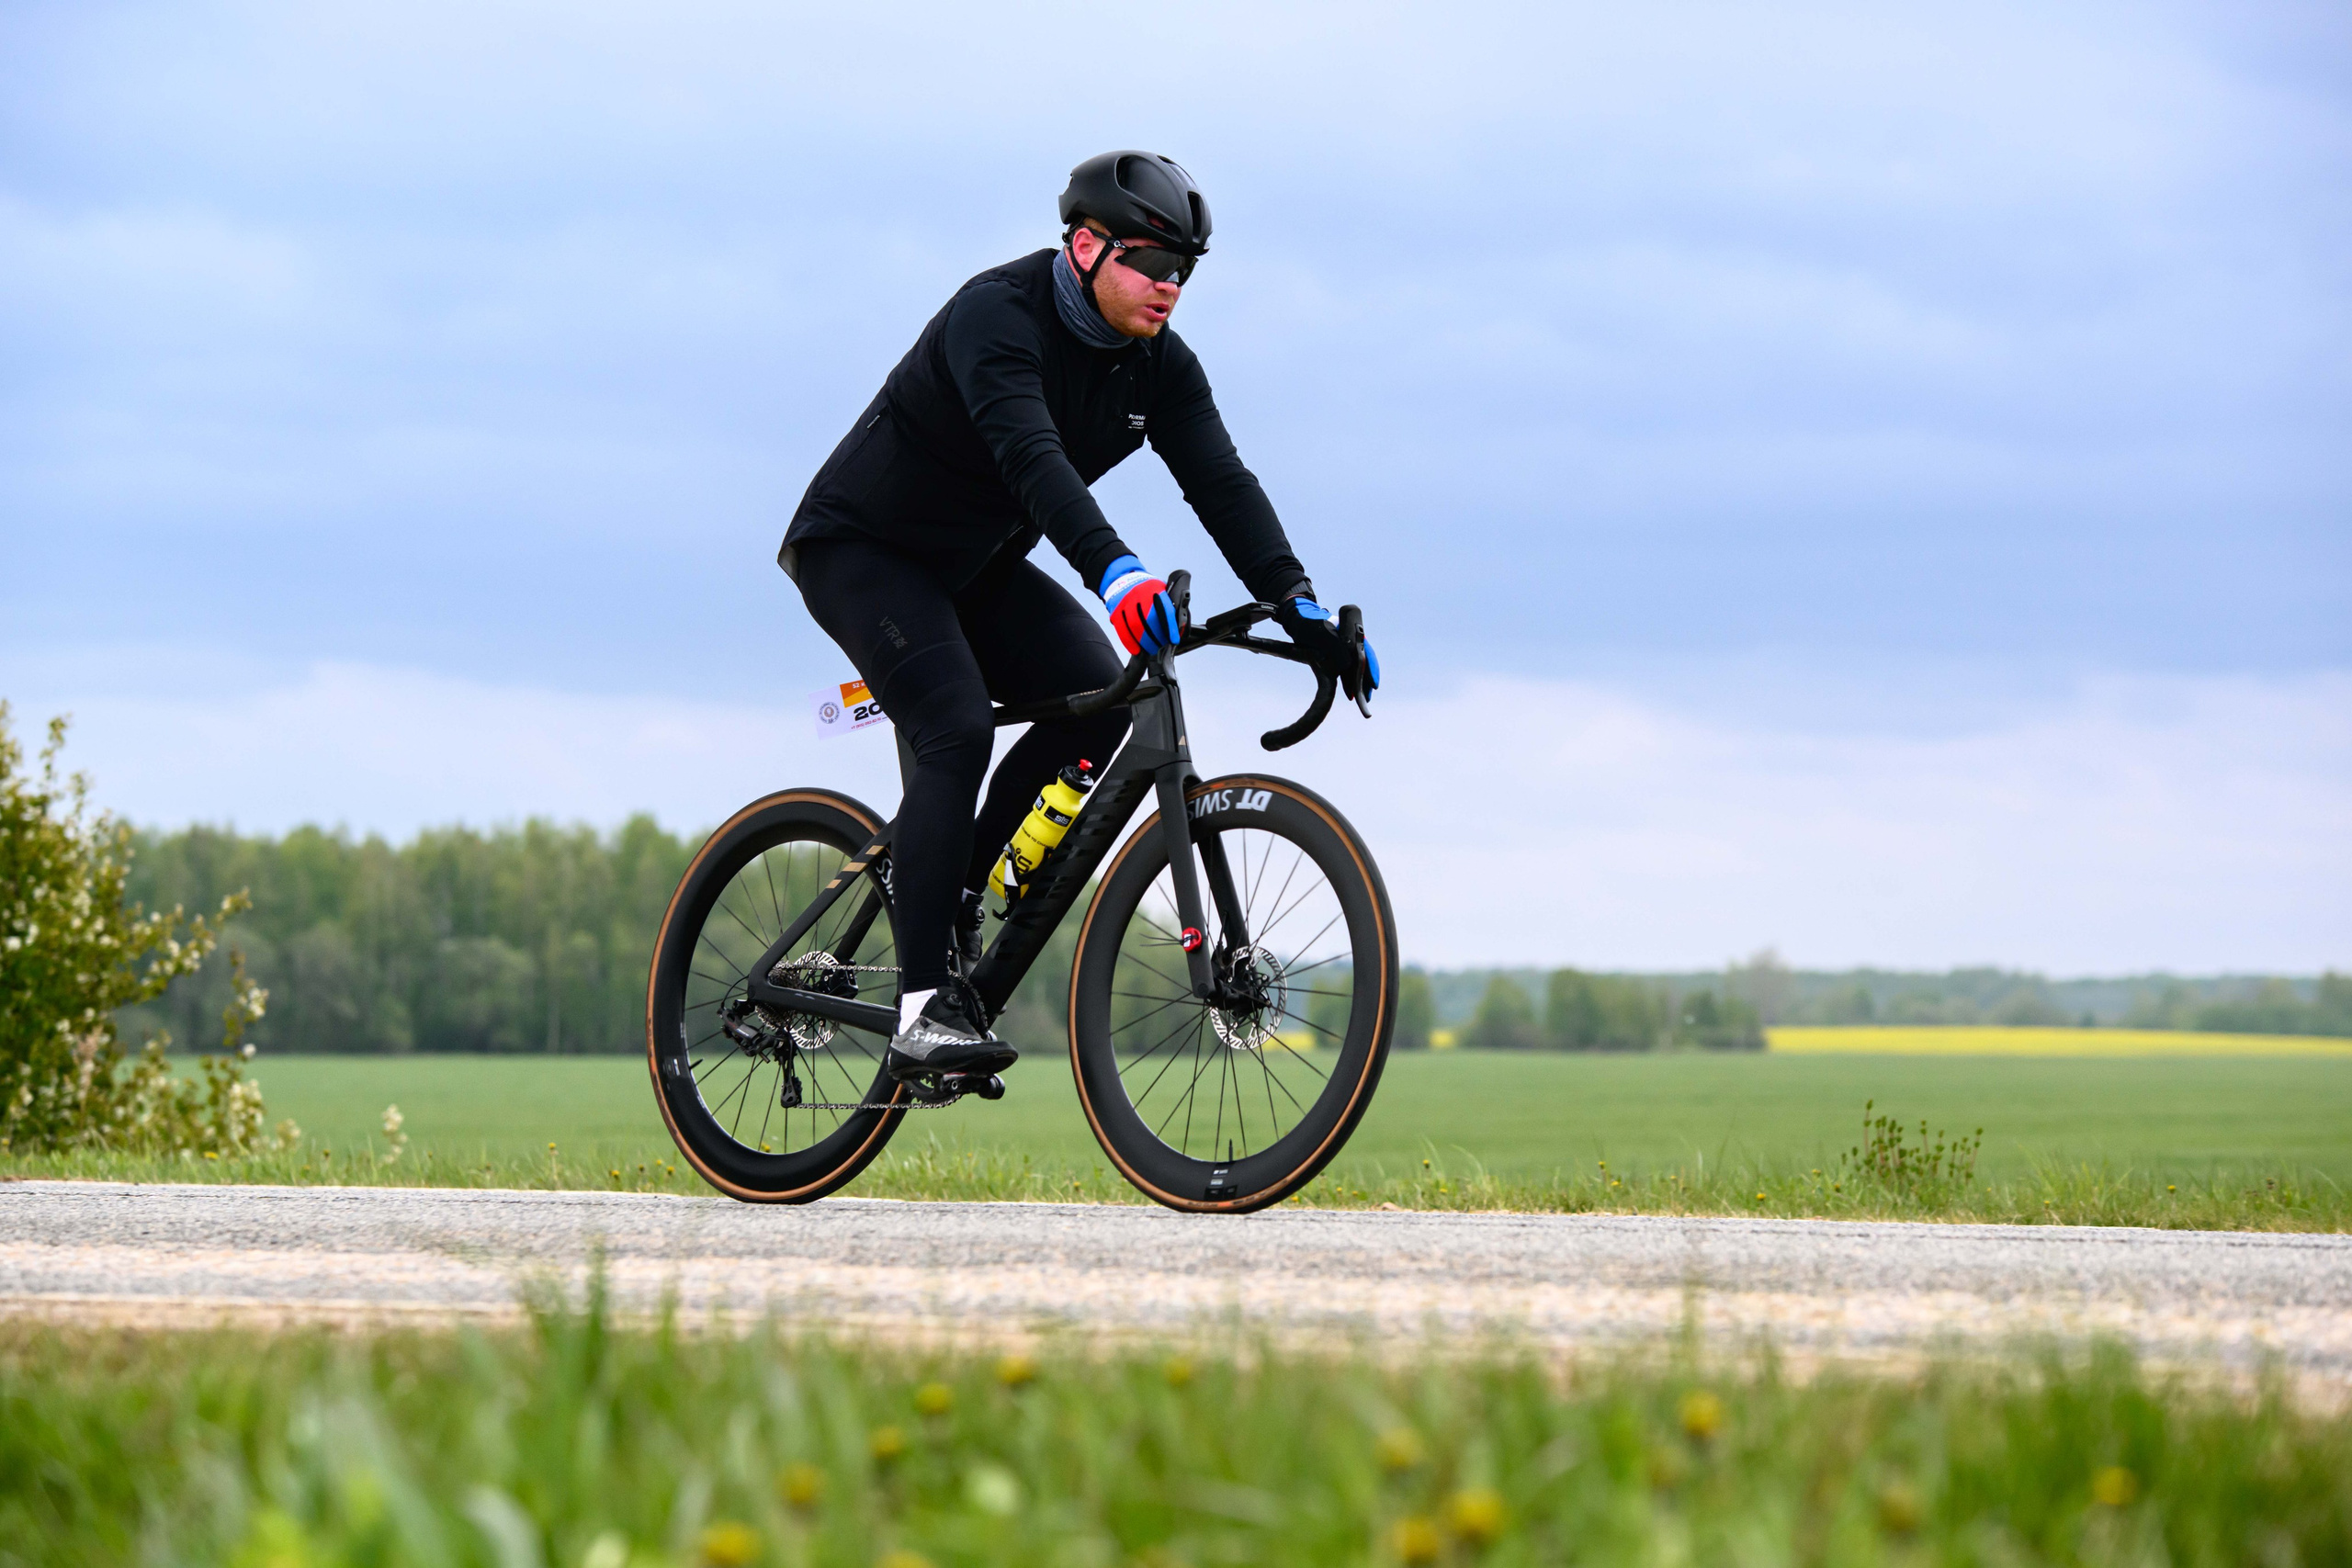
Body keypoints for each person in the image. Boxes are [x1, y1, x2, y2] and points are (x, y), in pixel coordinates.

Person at [778, 150, 1378, 1084]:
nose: (1167, 286)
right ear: (1086, 245)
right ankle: (920, 1010)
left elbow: (1222, 484)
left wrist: (1301, 610)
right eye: (1149, 260)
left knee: (1099, 699)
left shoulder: (1159, 371)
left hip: (974, 567)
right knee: (955, 726)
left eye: (1184, 270)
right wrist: (1116, 571)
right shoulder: (997, 316)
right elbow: (1032, 460)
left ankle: (944, 884)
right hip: (864, 550)